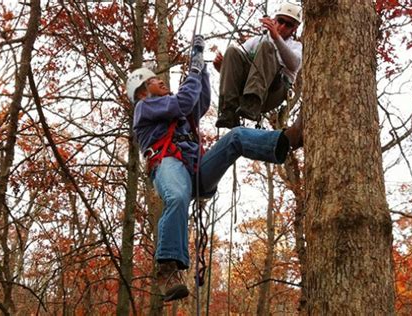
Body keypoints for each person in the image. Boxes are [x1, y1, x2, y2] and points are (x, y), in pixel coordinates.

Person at [128, 35, 303, 302]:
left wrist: (201, 69)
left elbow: (199, 104)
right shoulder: (145, 107)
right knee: (176, 196)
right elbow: (185, 102)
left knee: (235, 138)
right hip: (169, 165)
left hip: (195, 171)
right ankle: (167, 269)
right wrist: (193, 70)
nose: (161, 81)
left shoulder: (171, 110)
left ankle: (285, 140)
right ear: (142, 92)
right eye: (154, 80)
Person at [214, 2, 303, 129]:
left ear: (294, 29)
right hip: (246, 90)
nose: (283, 26)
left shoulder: (295, 46)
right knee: (232, 51)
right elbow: (236, 62)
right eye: (280, 21)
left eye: (288, 24)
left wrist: (276, 38)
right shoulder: (257, 40)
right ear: (274, 20)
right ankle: (229, 111)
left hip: (273, 93)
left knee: (267, 46)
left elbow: (294, 65)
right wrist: (223, 68)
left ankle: (253, 101)